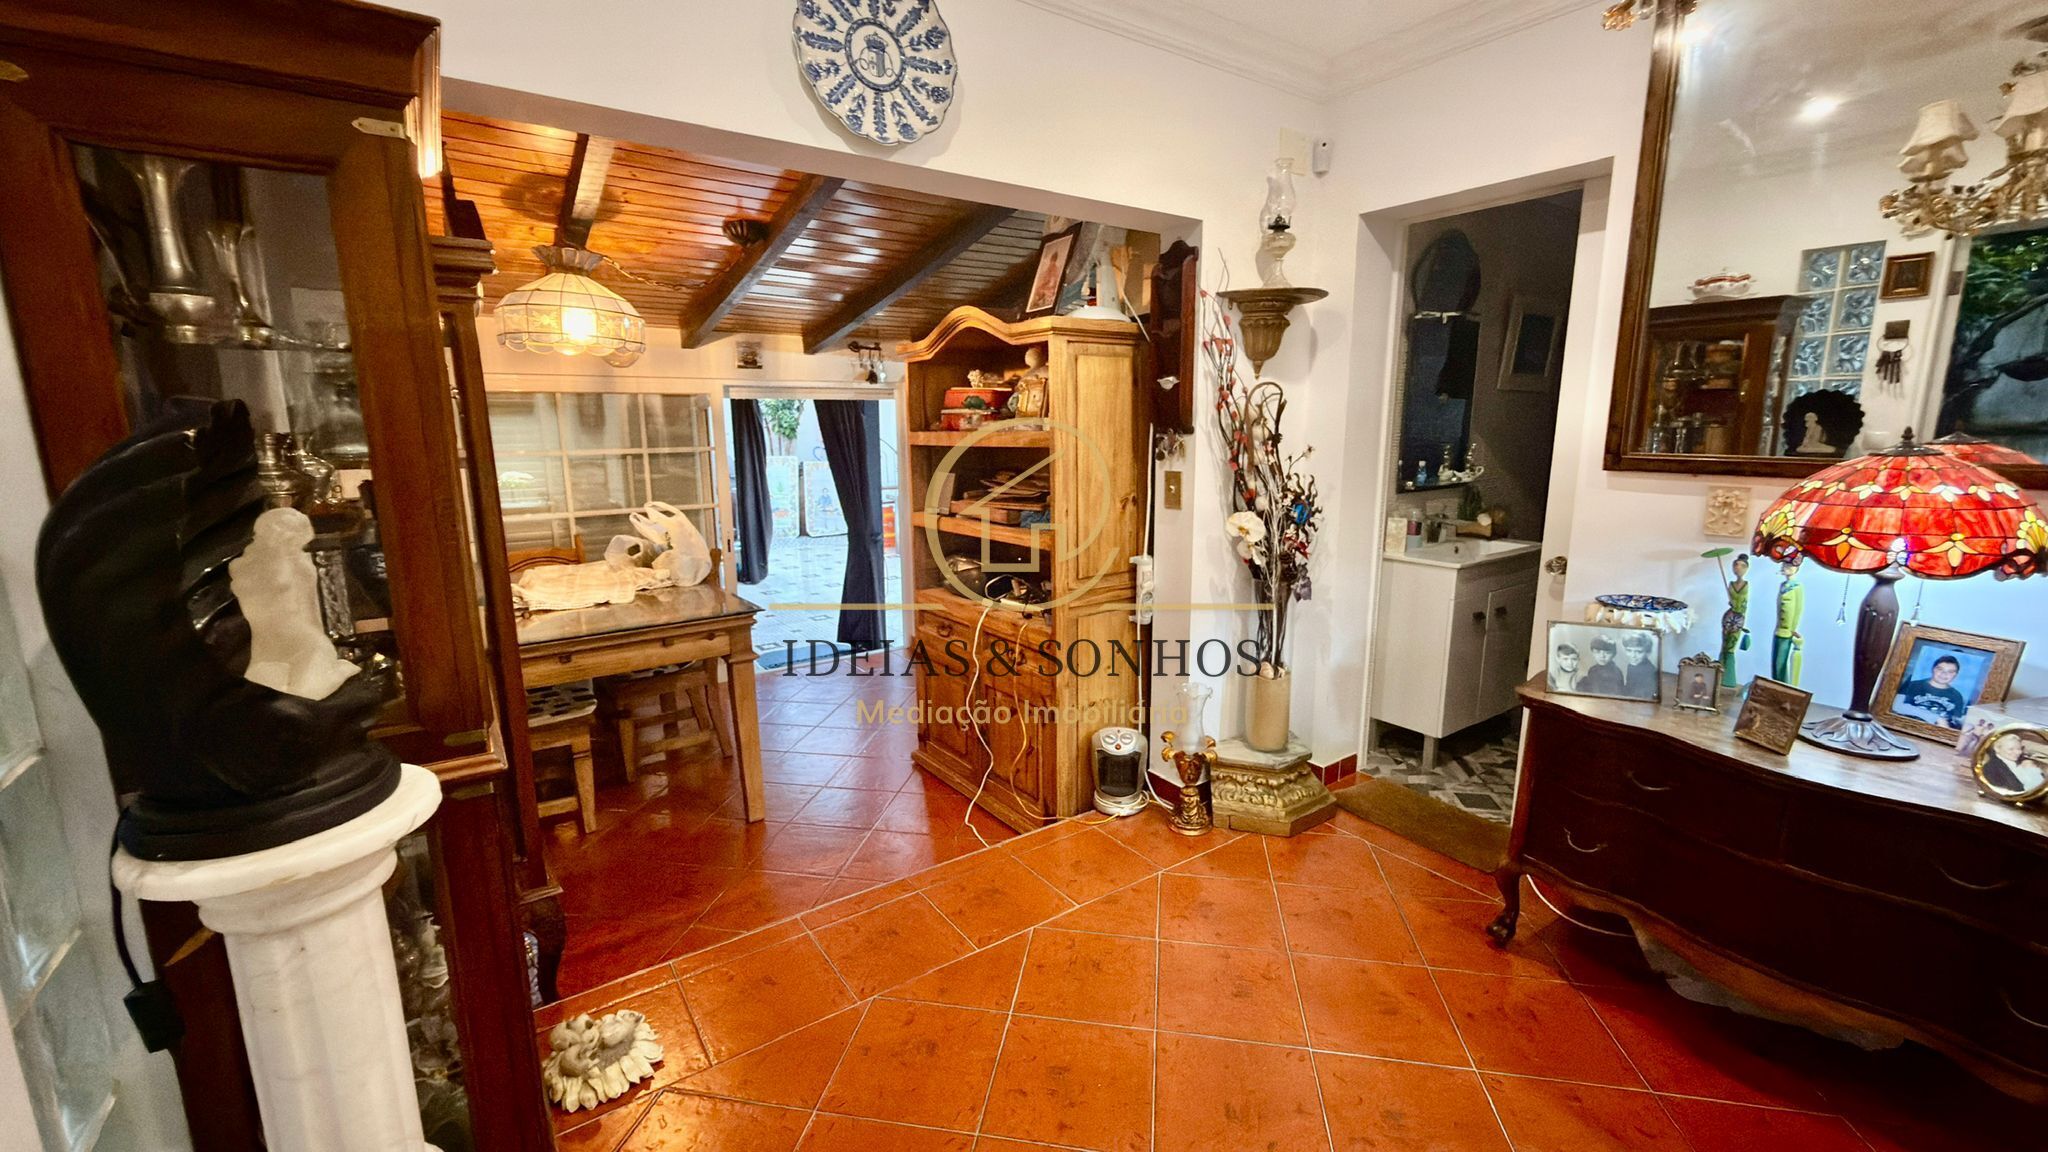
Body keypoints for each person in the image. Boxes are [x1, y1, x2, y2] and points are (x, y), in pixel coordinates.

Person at [1895, 653, 1971, 730]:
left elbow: (1955, 721)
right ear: (1933, 669)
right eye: (1940, 669)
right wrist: (1936, 718)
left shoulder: (1957, 696)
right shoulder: (1913, 685)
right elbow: (1896, 706)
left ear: (1956, 675)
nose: (1944, 674)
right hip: (1907, 728)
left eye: (1950, 672)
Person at [1978, 731, 2046, 796]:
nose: (2017, 752)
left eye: (2019, 749)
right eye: (2011, 749)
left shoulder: (2023, 763)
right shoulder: (1991, 768)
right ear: (1997, 749)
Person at [1773, 555, 1804, 685]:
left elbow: (1798, 608)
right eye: (1785, 565)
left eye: (1790, 565)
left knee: (1781, 662)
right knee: (1775, 662)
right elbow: (1778, 607)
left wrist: (1793, 629)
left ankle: (1781, 686)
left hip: (1787, 631)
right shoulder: (1782, 586)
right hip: (1778, 629)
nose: (1787, 567)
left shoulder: (1797, 587)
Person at [1617, 631, 1658, 700]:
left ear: (1648, 652)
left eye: (1639, 652)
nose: (1633, 656)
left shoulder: (1650, 672)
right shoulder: (1631, 665)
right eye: (1629, 650)